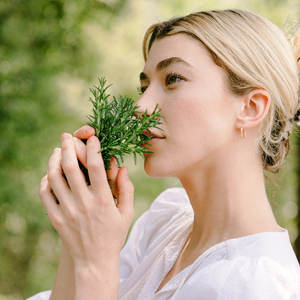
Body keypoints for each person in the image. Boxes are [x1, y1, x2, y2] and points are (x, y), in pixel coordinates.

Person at [27, 9, 300, 300]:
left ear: (251, 108)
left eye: (173, 79)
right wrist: (80, 239)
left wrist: (95, 263)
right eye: (144, 87)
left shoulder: (259, 286)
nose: (141, 107)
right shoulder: (163, 221)